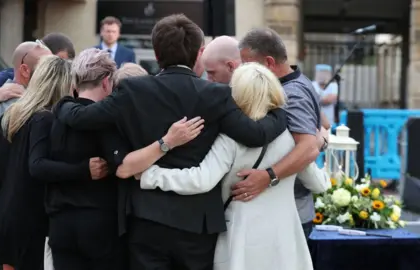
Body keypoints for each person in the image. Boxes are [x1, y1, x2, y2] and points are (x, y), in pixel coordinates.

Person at [56, 14, 287, 270]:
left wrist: (63, 103)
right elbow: (255, 135)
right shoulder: (216, 95)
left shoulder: (133, 90)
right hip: (197, 223)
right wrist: (281, 113)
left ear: (156, 54)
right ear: (198, 54)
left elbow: (82, 117)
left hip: (146, 217)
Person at [134, 63, 331, 270]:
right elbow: (319, 184)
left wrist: (149, 174)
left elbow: (200, 180)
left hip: (239, 240)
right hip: (284, 241)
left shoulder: (230, 139)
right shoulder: (291, 137)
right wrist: (322, 142)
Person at [0, 56, 75, 270]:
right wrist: (83, 170)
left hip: (2, 213)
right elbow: (38, 166)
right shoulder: (45, 119)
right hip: (25, 218)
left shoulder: (13, 114)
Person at [236, 28, 328, 239]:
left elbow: (308, 148)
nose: (243, 70)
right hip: (289, 210)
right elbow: (324, 124)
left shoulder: (292, 93)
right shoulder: (300, 81)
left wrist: (267, 176)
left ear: (269, 62)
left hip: (292, 212)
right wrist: (322, 137)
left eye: (248, 64)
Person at [0, 33, 75, 119]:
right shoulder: (11, 77)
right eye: (56, 61)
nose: (60, 69)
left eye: (65, 65)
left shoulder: (68, 83)